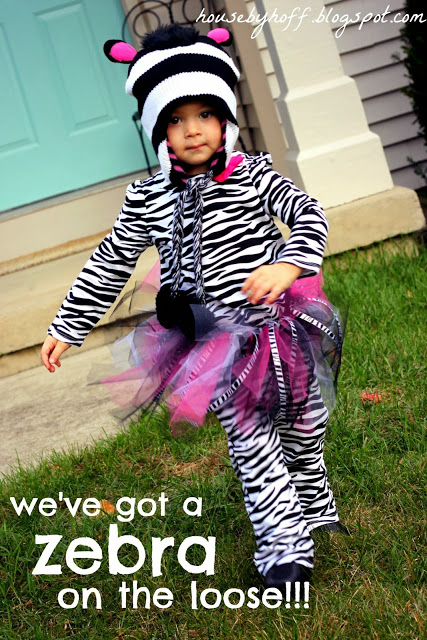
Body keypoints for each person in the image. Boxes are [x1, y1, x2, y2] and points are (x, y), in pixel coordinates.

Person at [41, 24, 347, 590]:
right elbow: (112, 262)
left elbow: (308, 213)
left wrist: (287, 265)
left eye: (204, 114)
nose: (191, 130)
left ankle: (313, 497)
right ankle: (285, 550)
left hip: (278, 327)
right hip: (212, 341)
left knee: (303, 426)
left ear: (225, 118)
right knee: (250, 437)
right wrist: (69, 325)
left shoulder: (253, 175)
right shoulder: (147, 196)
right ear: (158, 130)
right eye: (175, 120)